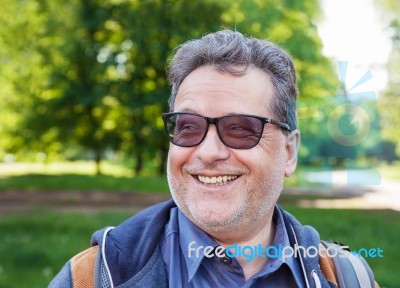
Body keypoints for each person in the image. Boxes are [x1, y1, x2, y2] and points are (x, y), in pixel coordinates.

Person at [49, 29, 378, 288]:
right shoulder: (92, 277)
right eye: (188, 127)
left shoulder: (348, 279)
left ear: (288, 152)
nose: (208, 152)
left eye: (239, 128)